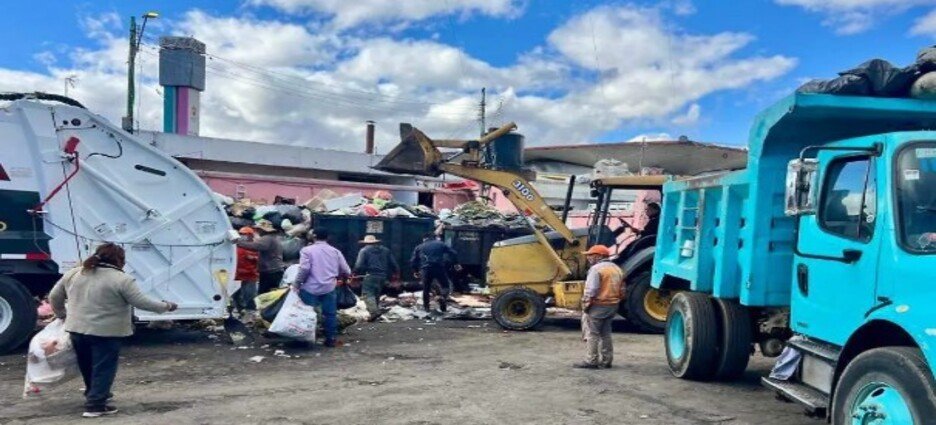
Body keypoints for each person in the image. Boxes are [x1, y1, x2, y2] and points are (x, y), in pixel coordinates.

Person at [48, 243, 178, 417]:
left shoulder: (75, 273)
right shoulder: (121, 279)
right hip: (106, 332)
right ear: (120, 260)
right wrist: (167, 306)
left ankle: (94, 394)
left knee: (88, 365)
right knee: (104, 367)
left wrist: (62, 315)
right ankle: (95, 405)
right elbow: (141, 302)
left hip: (76, 329)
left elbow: (54, 296)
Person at [293, 228, 351, 347]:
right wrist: (340, 277)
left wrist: (297, 284)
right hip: (329, 287)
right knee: (330, 315)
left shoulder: (306, 250)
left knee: (308, 314)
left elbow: (304, 269)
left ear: (313, 236)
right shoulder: (335, 251)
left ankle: (308, 340)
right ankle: (331, 339)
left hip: (310, 287)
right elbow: (346, 270)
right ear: (328, 237)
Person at [573, 245, 624, 370]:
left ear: (598, 256)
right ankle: (607, 361)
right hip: (612, 305)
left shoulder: (596, 269)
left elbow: (592, 289)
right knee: (606, 333)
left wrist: (585, 304)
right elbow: (622, 289)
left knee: (592, 334)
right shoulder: (617, 269)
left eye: (590, 255)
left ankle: (591, 361)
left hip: (598, 305)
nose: (588, 258)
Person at [354, 234, 399, 321]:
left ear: (366, 243)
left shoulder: (364, 251)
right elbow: (394, 264)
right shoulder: (386, 250)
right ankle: (375, 312)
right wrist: (396, 274)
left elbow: (359, 265)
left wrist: (354, 273)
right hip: (382, 276)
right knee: (376, 294)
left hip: (370, 275)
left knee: (367, 293)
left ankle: (374, 312)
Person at [411, 233, 458, 313]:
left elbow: (413, 260)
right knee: (445, 285)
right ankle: (442, 298)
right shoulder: (440, 244)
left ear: (424, 239)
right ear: (433, 238)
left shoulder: (419, 247)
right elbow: (453, 253)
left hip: (426, 269)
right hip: (439, 268)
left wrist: (415, 271)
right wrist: (455, 263)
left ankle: (426, 308)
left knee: (426, 289)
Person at [237, 219, 285, 295]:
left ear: (262, 230)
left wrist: (238, 243)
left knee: (264, 294)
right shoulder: (273, 238)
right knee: (271, 293)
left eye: (258, 229)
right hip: (274, 270)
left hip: (270, 271)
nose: (257, 231)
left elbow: (255, 246)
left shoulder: (267, 238)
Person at [233, 227, 260, 320]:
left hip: (250, 275)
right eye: (241, 234)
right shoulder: (235, 246)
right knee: (236, 295)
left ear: (250, 235)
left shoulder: (254, 247)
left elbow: (258, 260)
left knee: (249, 295)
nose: (242, 236)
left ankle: (251, 312)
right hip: (237, 275)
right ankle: (241, 311)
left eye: (245, 234)